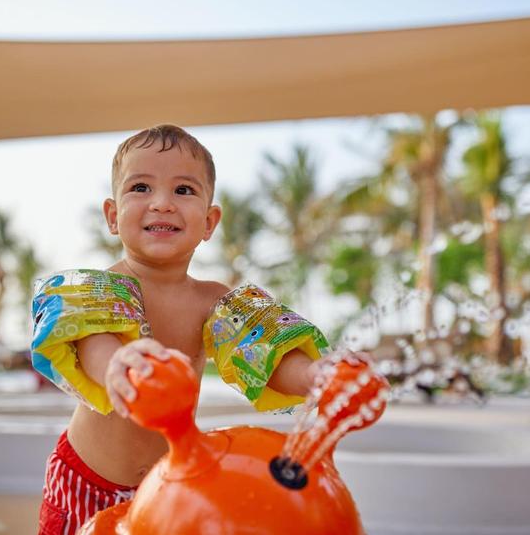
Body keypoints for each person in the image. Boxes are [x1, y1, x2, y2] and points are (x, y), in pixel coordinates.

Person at [31, 125, 332, 535]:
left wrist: (316, 377)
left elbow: (267, 355)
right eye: (140, 187)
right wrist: (119, 363)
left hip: (168, 489)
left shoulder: (215, 302)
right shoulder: (100, 289)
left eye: (184, 191)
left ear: (209, 222)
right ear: (113, 216)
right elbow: (93, 345)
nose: (162, 204)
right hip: (86, 481)